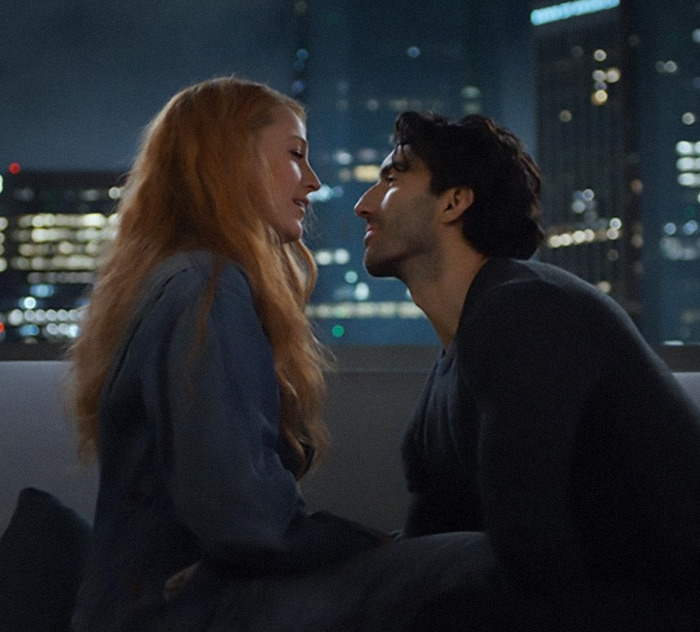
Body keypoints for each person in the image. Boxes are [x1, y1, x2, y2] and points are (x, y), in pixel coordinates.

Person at [67, 78, 501, 632]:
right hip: (187, 609)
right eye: (295, 155)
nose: (313, 182)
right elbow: (244, 520)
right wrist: (366, 543)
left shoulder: (175, 280)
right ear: (229, 161)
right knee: (480, 563)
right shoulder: (208, 286)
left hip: (166, 601)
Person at [354, 111, 700, 629]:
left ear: (454, 201)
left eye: (392, 178)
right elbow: (431, 542)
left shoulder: (526, 311)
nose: (363, 205)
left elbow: (530, 543)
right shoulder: (460, 354)